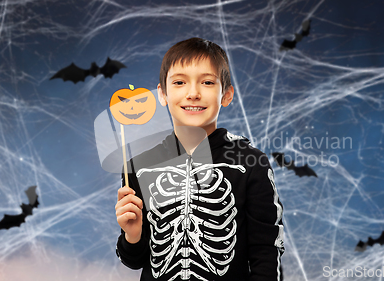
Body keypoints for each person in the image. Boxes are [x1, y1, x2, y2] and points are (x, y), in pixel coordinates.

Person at [115, 37, 285, 281]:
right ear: (162, 94)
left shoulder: (250, 163)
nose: (192, 93)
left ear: (226, 95)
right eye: (179, 82)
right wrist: (132, 234)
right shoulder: (136, 167)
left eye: (206, 82)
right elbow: (135, 261)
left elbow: (267, 253)